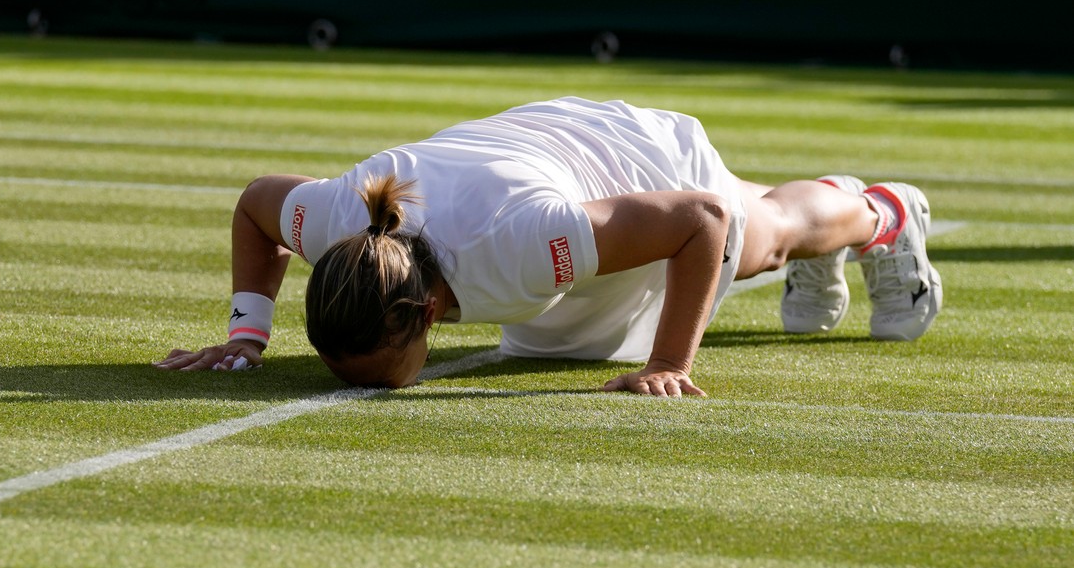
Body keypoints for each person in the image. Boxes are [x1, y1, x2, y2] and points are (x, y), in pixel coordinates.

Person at [155, 97, 941, 397]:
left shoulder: (521, 245)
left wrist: (670, 363)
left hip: (634, 157)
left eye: (368, 373)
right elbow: (258, 204)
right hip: (534, 161)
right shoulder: (333, 217)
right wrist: (246, 338)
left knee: (761, 234)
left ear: (427, 311)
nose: (352, 385)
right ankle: (842, 211)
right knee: (558, 344)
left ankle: (881, 214)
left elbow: (698, 218)